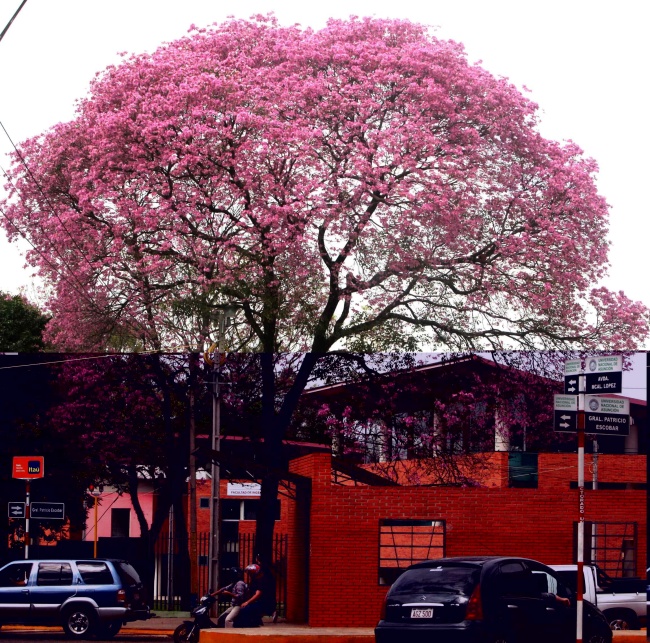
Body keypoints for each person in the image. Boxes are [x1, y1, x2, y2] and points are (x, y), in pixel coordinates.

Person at [235, 563, 276, 627]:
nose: (249, 575)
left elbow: (257, 594)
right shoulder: (254, 580)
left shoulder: (261, 581)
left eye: (250, 573)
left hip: (260, 602)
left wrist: (247, 602)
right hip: (256, 602)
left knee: (245, 610)